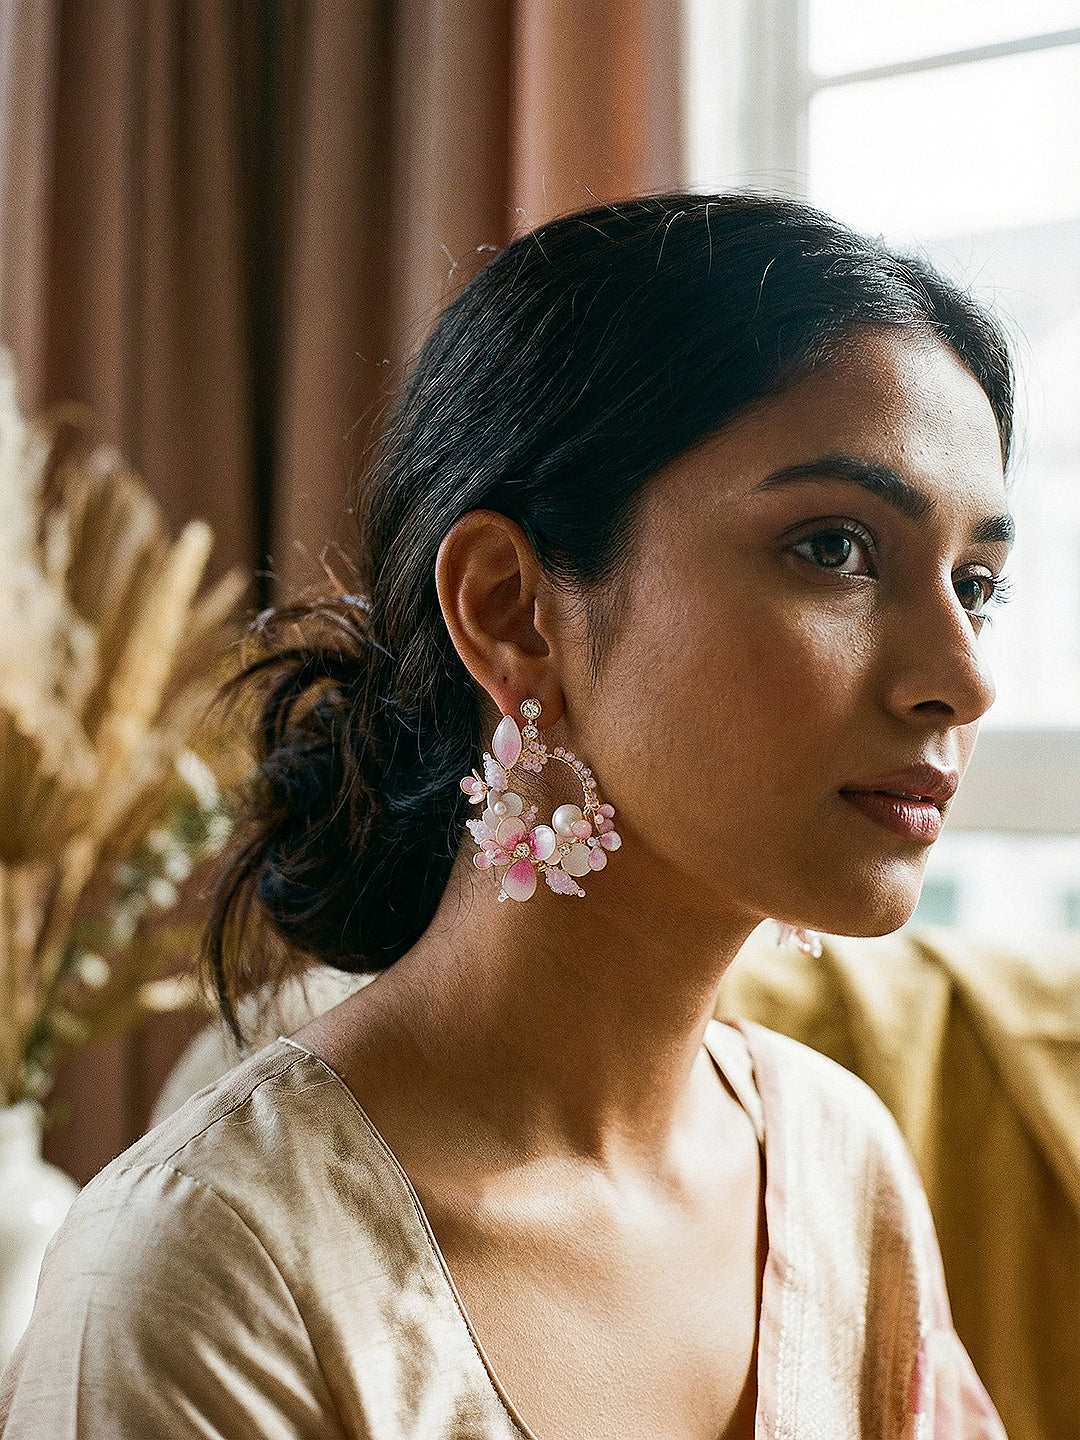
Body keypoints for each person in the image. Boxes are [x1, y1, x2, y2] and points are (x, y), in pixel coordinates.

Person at [0, 193, 1014, 1439]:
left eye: (977, 584)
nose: (963, 678)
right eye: (833, 549)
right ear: (511, 608)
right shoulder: (216, 1268)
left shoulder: (836, 1163)